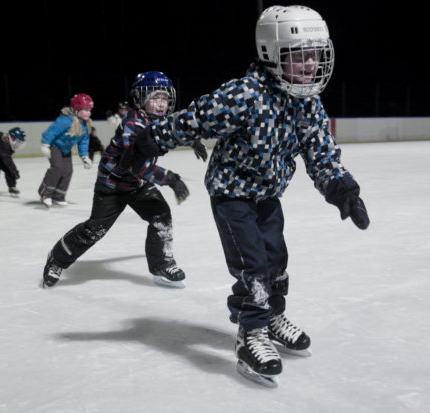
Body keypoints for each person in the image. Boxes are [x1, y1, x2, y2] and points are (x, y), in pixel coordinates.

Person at [144, 5, 369, 387]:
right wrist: (153, 138)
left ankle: (270, 316)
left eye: (316, 55)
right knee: (253, 265)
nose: (312, 64)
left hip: (267, 195)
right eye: (301, 56)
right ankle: (251, 332)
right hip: (232, 194)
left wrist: (341, 187)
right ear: (272, 53)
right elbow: (196, 118)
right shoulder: (244, 94)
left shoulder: (307, 101)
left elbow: (320, 149)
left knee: (276, 259)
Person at [42, 71, 207, 290]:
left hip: (138, 185)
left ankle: (161, 265)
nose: (161, 104)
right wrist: (170, 179)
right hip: (113, 185)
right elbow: (135, 165)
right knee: (94, 230)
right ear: (140, 99)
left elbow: (175, 127)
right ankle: (57, 259)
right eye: (154, 98)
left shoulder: (160, 119)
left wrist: (193, 140)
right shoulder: (134, 125)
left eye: (165, 98)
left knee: (161, 217)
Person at [38, 93, 94, 208]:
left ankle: (58, 196)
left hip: (66, 150)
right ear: (76, 109)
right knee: (58, 168)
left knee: (68, 171)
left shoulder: (85, 125)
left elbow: (83, 142)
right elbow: (51, 131)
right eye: (85, 109)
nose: (88, 112)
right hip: (55, 147)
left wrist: (85, 156)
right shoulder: (65, 120)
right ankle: (45, 193)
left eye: (89, 110)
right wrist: (45, 145)